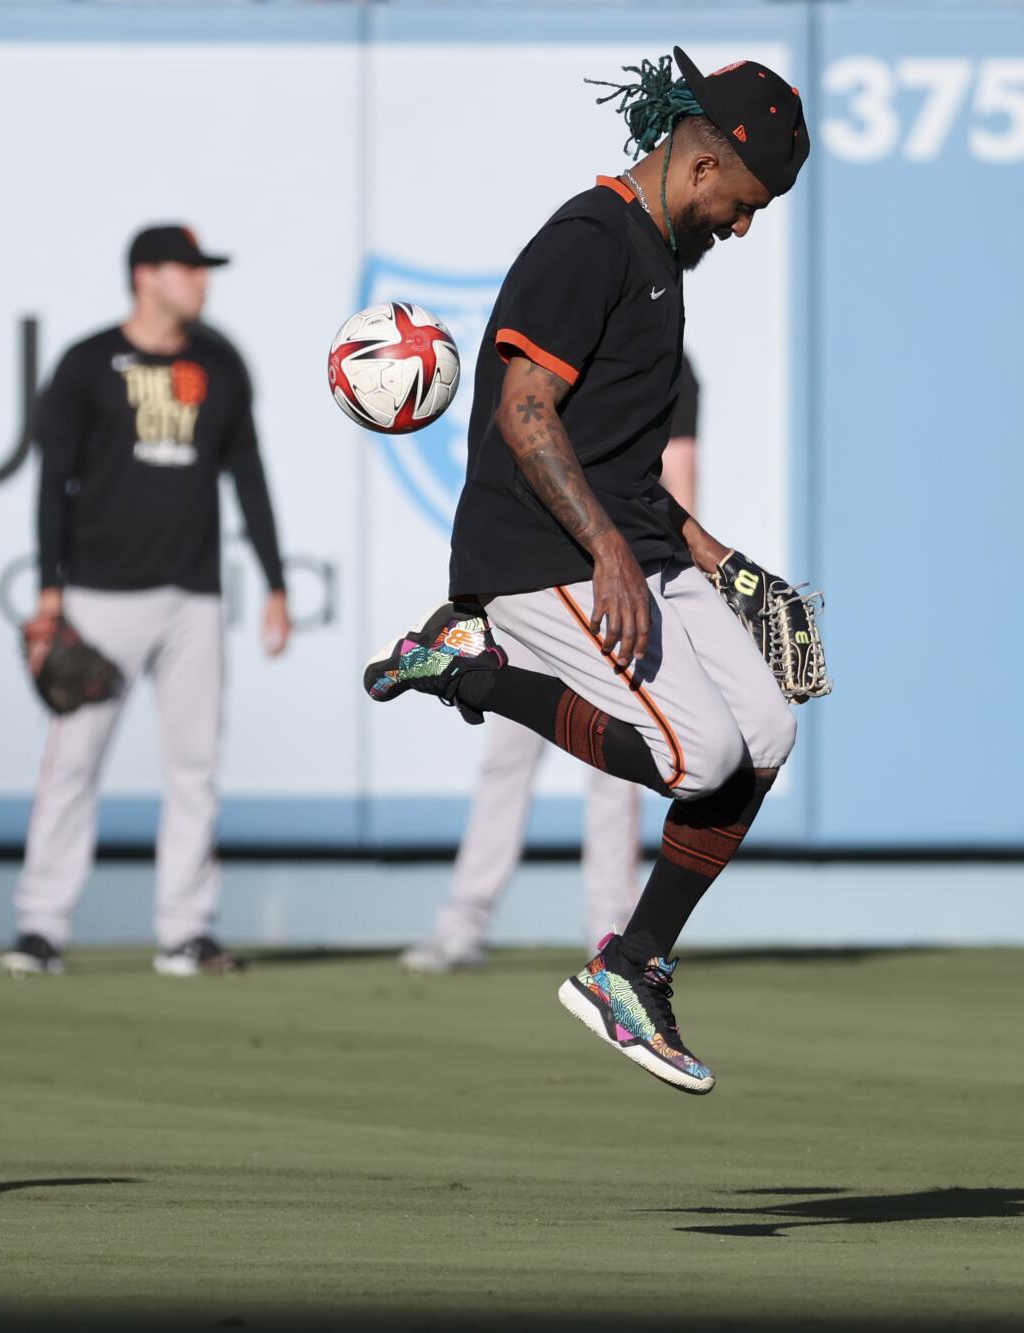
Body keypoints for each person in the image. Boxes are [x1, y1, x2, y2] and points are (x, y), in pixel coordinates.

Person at [363, 50, 810, 1095]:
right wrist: (606, 546)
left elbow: (627, 470)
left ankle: (631, 963)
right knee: (697, 755)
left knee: (768, 732)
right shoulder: (588, 240)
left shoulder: (657, 260)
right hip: (541, 550)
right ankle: (462, 665)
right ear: (705, 168)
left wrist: (733, 569)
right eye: (745, 205)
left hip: (634, 543)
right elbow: (524, 412)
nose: (743, 227)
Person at [0, 225, 290, 979]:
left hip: (193, 592)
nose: (203, 282)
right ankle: (40, 926)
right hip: (99, 592)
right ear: (145, 276)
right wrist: (50, 591)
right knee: (72, 765)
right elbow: (52, 480)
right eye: (188, 269)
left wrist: (276, 581)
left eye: (202, 269)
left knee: (194, 767)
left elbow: (248, 475)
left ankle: (186, 930)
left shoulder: (219, 362)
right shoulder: (89, 363)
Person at [401, 359, 701, 972]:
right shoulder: (552, 354)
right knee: (509, 758)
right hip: (541, 585)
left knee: (618, 769)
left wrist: (675, 586)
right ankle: (465, 921)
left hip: (613, 596)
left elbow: (681, 474)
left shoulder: (666, 363)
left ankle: (606, 929)